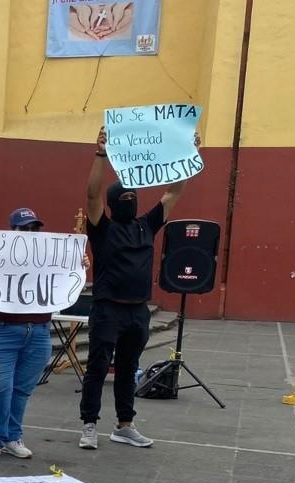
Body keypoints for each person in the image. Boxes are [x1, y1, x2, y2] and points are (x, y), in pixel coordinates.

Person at [79, 126, 199, 450]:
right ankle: (89, 424)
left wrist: (188, 155)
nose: (130, 201)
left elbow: (172, 194)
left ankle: (124, 425)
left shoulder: (146, 225)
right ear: (114, 203)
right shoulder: (101, 228)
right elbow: (91, 195)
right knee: (98, 367)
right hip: (107, 307)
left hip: (137, 310)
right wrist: (101, 153)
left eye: (133, 197)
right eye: (125, 198)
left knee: (129, 368)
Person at [0, 208, 54, 461]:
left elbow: (62, 282)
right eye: (25, 228)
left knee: (22, 389)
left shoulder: (48, 255)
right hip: (3, 330)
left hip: (40, 331)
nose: (31, 233)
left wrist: (78, 265)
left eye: (35, 228)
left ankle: (12, 436)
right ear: (12, 231)